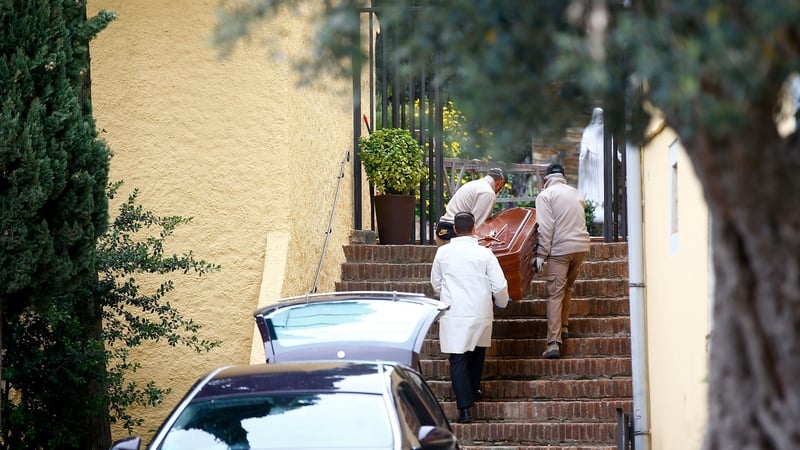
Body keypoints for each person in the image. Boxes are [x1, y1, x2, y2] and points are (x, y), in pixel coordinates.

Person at [430, 211, 510, 424]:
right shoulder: (485, 253)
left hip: (454, 311)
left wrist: (445, 294)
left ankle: (465, 409)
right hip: (479, 311)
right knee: (477, 353)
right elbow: (500, 285)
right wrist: (502, 302)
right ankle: (473, 390)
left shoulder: (442, 254)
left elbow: (436, 283)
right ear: (474, 228)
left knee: (457, 360)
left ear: (455, 229)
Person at [534, 163, 590, 359]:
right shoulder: (575, 192)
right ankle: (564, 326)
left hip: (560, 250)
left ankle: (553, 343)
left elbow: (545, 227)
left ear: (546, 179)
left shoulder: (545, 196)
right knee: (568, 288)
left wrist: (540, 255)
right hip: (581, 247)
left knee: (554, 294)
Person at [435, 168, 506, 245]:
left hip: (443, 232)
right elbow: (478, 226)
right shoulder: (488, 193)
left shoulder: (474, 184)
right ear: (501, 183)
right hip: (456, 237)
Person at [578, 107, 605, 225]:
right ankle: (594, 203)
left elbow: (612, 143)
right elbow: (585, 142)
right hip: (592, 162)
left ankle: (602, 204)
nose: (599, 118)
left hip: (603, 162)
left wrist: (618, 155)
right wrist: (583, 153)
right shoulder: (588, 130)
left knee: (602, 183)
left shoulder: (606, 130)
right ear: (594, 117)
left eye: (601, 116)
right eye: (597, 116)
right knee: (593, 183)